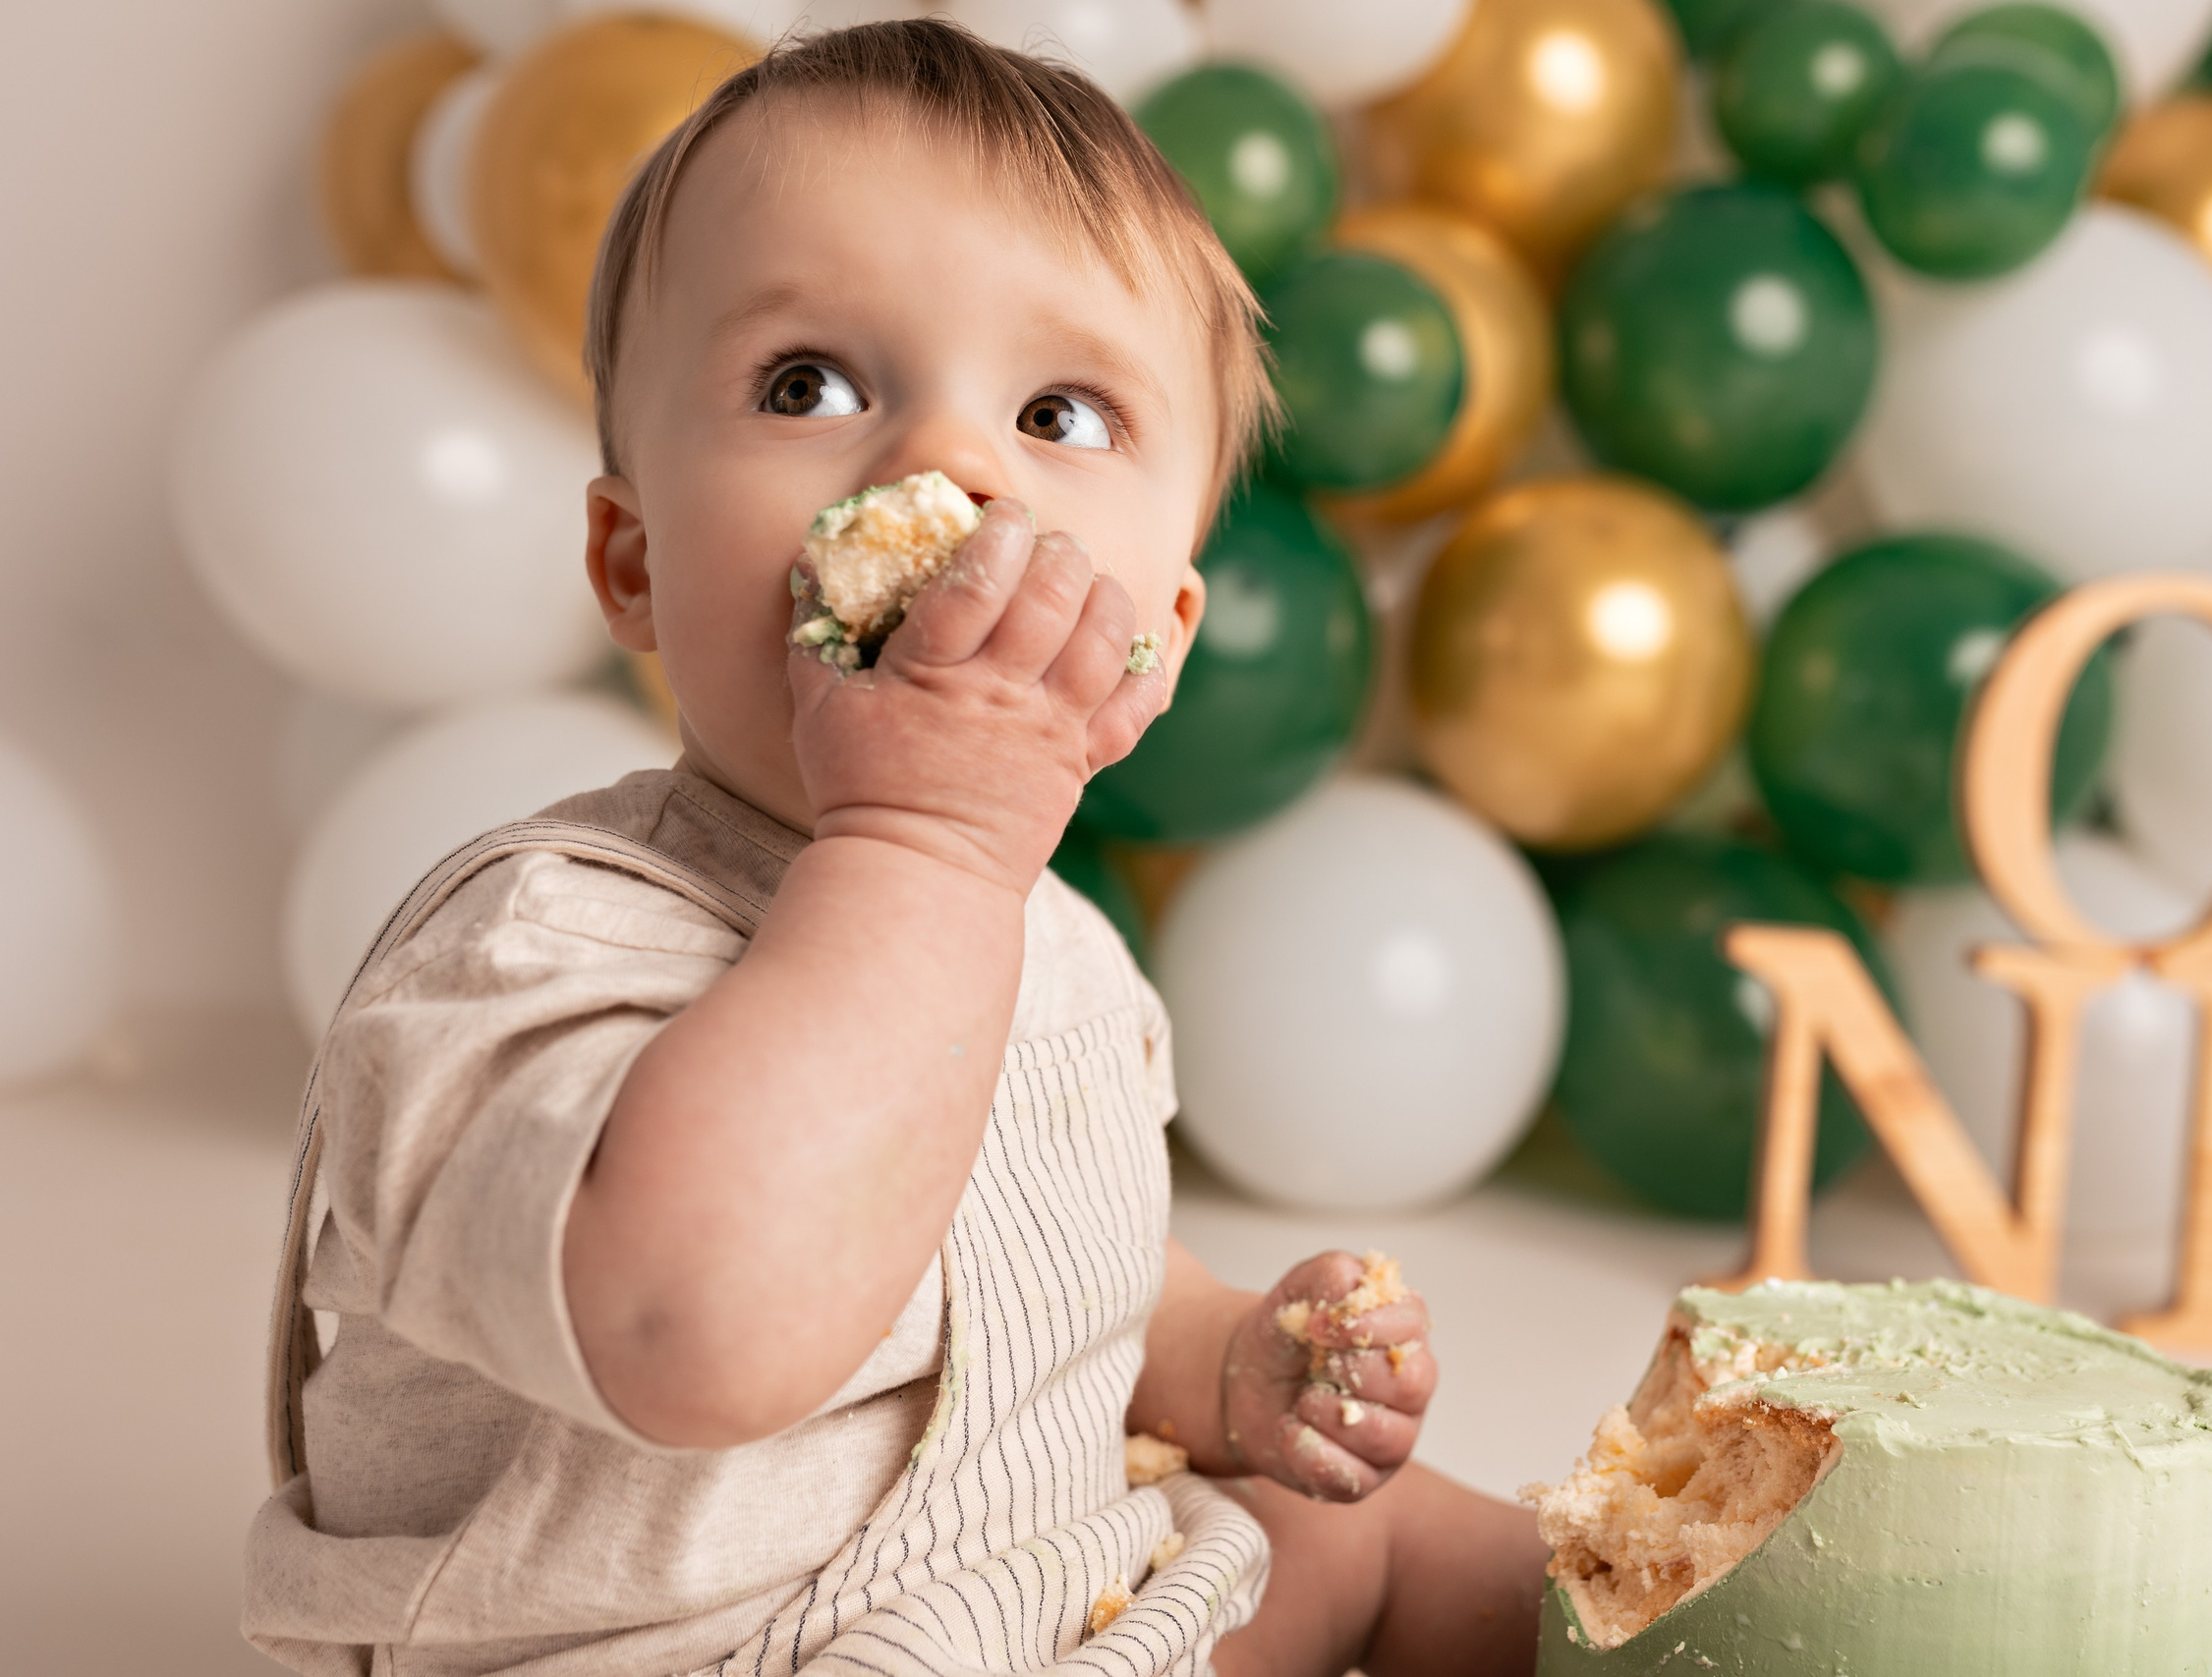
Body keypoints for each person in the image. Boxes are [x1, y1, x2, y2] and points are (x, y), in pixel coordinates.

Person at [244, 20, 1545, 1677]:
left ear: (1160, 637)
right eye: (810, 385)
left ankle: (1733, 1628)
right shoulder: (526, 953)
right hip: (699, 1654)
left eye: (1063, 411)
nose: (953, 465)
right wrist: (922, 839)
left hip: (1034, 1608)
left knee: (1375, 1533)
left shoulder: (1054, 941)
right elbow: (695, 1326)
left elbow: (1051, 1260)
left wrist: (1220, 1357)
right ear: (633, 562)